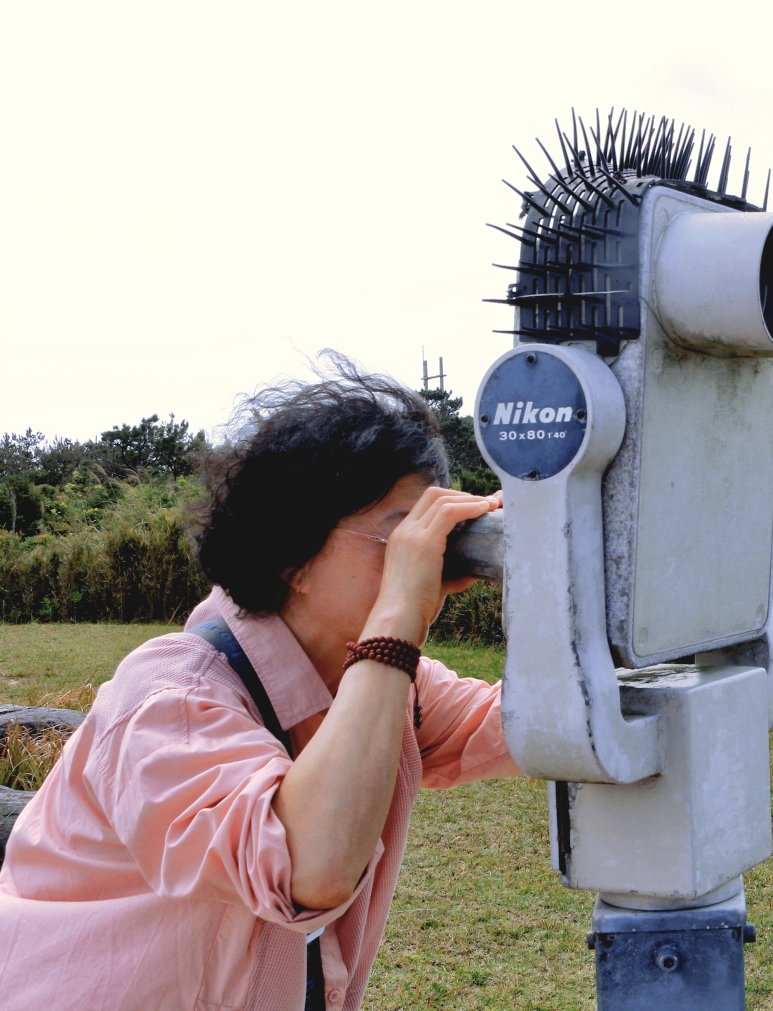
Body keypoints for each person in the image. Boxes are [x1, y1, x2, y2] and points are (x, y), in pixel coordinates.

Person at [0, 359, 520, 1010]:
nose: (423, 555)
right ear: (291, 556)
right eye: (397, 537)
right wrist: (397, 622)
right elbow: (311, 865)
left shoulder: (377, 682)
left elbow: (535, 725)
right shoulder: (171, 702)